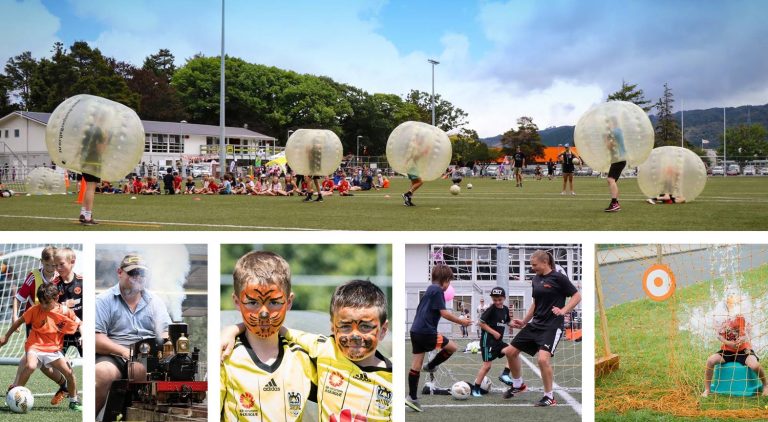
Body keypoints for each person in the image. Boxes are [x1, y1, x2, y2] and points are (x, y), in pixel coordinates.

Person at [222, 279, 393, 421]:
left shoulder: (392, 380)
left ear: (383, 330)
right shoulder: (324, 348)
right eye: (346, 327)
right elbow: (277, 328)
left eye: (365, 327)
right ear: (333, 328)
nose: (355, 336)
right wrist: (233, 329)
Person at [220, 251, 317, 421]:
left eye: (274, 302)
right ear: (237, 302)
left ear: (289, 302)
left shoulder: (303, 357)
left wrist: (234, 328)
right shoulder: (224, 356)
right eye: (252, 303)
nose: (264, 313)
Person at [94, 254, 171, 419]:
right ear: (119, 272)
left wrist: (166, 347)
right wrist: (124, 352)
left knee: (145, 369)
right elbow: (96, 338)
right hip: (113, 355)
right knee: (102, 372)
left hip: (148, 355)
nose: (137, 277)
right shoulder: (103, 300)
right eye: (132, 273)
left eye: (141, 274)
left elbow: (165, 332)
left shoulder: (155, 301)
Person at [502, 250, 581, 406]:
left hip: (552, 326)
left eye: (534, 265)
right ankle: (518, 385)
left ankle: (549, 397)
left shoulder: (559, 278)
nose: (532, 268)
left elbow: (577, 296)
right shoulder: (536, 279)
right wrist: (524, 321)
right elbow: (535, 303)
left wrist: (563, 311)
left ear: (545, 262)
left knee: (542, 360)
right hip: (535, 324)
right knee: (510, 352)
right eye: (531, 265)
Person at [0, 283, 82, 411]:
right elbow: (19, 321)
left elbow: (79, 323)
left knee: (69, 373)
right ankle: (13, 395)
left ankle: (74, 402)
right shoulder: (34, 309)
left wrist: (83, 335)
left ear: (56, 299)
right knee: (30, 366)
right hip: (34, 346)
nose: (43, 306)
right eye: (41, 302)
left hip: (53, 349)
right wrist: (6, 337)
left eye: (46, 303)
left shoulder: (65, 311)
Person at [406, 264, 472, 412]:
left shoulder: (430, 289)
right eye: (449, 281)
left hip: (416, 331)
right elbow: (444, 313)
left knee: (416, 365)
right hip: (426, 332)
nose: (449, 285)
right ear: (445, 280)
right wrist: (462, 321)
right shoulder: (438, 291)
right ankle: (431, 366)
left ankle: (412, 398)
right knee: (452, 347)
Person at [12, 246, 71, 404]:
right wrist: (14, 318)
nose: (51, 269)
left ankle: (65, 386)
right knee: (31, 360)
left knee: (45, 364)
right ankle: (15, 387)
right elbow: (18, 298)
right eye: (48, 265)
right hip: (33, 324)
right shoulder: (33, 276)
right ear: (42, 262)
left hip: (54, 327)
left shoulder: (61, 277)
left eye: (54, 265)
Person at [702, 311, 767, 397]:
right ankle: (707, 389)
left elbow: (749, 332)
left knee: (754, 365)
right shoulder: (722, 318)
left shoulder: (742, 317)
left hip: (744, 350)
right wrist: (728, 343)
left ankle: (766, 385)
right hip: (727, 351)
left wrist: (743, 339)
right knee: (710, 360)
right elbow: (719, 335)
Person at [472, 287, 516, 397]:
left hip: (498, 342)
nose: (497, 302)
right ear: (492, 299)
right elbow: (481, 323)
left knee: (513, 351)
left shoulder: (505, 309)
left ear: (504, 298)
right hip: (488, 342)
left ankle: (505, 374)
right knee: (487, 366)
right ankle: (475, 388)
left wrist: (517, 324)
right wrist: (494, 332)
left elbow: (508, 322)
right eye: (495, 300)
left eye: (499, 300)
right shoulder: (491, 309)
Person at [52, 248, 83, 357]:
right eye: (56, 265)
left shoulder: (82, 282)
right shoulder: (53, 285)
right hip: (62, 332)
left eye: (61, 264)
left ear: (72, 262)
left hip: (81, 331)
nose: (58, 268)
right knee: (52, 362)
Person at [604, 116, 627, 212]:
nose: (607, 125)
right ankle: (615, 203)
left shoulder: (615, 132)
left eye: (608, 123)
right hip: (619, 159)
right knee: (611, 181)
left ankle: (614, 203)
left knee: (610, 179)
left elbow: (610, 145)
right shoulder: (618, 131)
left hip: (618, 159)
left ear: (612, 123)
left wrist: (606, 138)